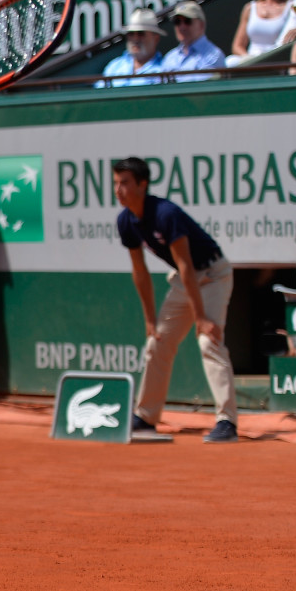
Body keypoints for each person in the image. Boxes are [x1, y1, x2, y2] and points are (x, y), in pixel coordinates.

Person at [112, 157, 238, 443]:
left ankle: (227, 422)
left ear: (142, 185)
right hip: (186, 282)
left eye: (125, 183)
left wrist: (201, 317)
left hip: (212, 275)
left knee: (208, 340)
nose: (118, 190)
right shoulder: (125, 221)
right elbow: (140, 271)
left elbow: (185, 264)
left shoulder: (166, 214)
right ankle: (146, 417)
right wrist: (149, 319)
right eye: (116, 183)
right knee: (157, 342)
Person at [228, 0, 293, 66]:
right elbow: (237, 46)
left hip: (276, 62)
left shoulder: (291, 7)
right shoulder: (249, 8)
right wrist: (248, 59)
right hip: (250, 61)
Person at [95, 8, 166, 87]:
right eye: (131, 33)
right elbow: (98, 91)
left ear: (156, 38)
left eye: (141, 33)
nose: (135, 39)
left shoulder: (164, 68)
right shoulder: (114, 66)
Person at [161, 1, 226, 82]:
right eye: (177, 22)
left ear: (201, 25)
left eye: (187, 21)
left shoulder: (214, 55)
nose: (182, 27)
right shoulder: (170, 57)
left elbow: (202, 87)